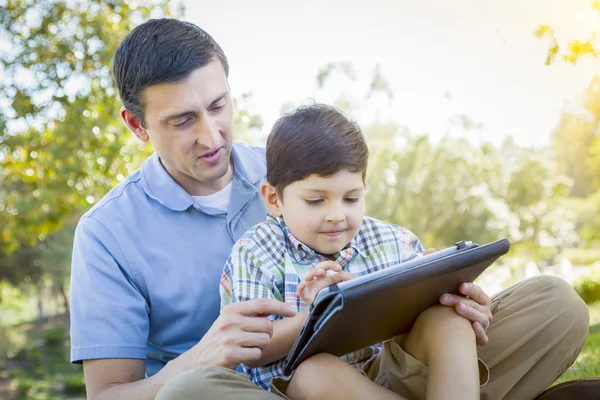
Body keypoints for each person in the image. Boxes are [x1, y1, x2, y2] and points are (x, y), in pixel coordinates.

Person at [68, 17, 589, 400]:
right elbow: (107, 396)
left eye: (219, 106)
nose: (211, 135)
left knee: (555, 304)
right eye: (182, 120)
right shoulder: (108, 233)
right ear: (137, 126)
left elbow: (381, 260)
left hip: (380, 371)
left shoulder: (293, 170)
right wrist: (194, 360)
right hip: (267, 391)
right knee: (189, 394)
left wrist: (447, 293)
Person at [220, 104, 483, 400]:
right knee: (314, 374)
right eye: (316, 201)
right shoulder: (256, 251)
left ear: (364, 188)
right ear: (274, 199)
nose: (336, 215)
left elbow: (425, 320)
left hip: (386, 376)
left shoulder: (391, 241)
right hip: (303, 389)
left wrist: (444, 290)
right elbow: (252, 350)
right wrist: (317, 313)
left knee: (449, 317)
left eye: (351, 198)